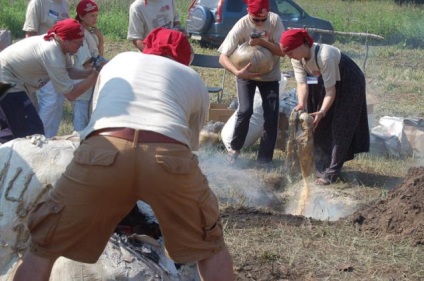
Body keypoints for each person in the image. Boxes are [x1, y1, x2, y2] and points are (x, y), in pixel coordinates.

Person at [13, 27, 234, 281]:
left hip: (104, 148)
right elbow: (189, 143)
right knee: (210, 246)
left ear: (147, 48)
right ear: (184, 58)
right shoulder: (191, 77)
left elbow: (97, 119)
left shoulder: (118, 62)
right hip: (167, 153)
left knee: (45, 243)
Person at [280, 29, 370, 185]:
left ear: (302, 45)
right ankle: (321, 165)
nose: (289, 56)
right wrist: (301, 103)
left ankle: (332, 172)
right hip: (326, 83)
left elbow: (331, 91)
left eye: (290, 52)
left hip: (349, 82)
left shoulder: (324, 55)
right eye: (286, 53)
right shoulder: (296, 58)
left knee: (340, 125)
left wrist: (322, 111)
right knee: (318, 123)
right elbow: (302, 83)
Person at [0, 18, 99, 143]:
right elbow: (71, 94)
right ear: (65, 39)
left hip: (8, 79)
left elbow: (68, 70)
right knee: (31, 131)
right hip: (6, 81)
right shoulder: (52, 53)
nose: (81, 45)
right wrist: (94, 78)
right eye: (78, 42)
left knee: (12, 132)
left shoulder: (59, 45)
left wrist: (86, 74)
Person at [218, 0, 285, 164]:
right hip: (245, 75)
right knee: (245, 110)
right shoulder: (241, 25)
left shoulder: (275, 20)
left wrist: (262, 42)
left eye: (264, 19)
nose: (261, 23)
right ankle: (234, 150)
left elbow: (283, 51)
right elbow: (222, 57)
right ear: (248, 12)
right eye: (256, 20)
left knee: (271, 115)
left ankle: (264, 159)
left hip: (270, 75)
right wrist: (237, 72)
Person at [22, 0, 70, 138]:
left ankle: (50, 138)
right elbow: (29, 34)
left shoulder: (64, 4)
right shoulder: (38, 3)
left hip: (59, 60)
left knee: (58, 102)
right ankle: (37, 139)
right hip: (42, 62)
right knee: (50, 101)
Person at [73, 0, 105, 132]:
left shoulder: (90, 33)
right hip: (83, 80)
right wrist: (105, 66)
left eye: (96, 15)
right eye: (91, 15)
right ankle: (78, 145)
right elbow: (87, 62)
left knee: (91, 115)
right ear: (81, 16)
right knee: (81, 118)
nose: (95, 18)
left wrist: (101, 40)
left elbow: (99, 55)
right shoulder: (78, 33)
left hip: (92, 78)